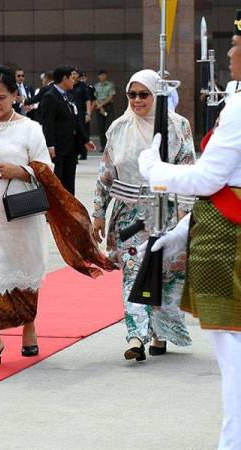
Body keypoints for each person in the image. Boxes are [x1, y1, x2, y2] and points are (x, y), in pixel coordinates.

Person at [137, 11, 241, 447]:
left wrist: (153, 170)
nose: (231, 53)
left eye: (237, 45)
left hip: (229, 243)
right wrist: (183, 230)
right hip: (220, 226)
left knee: (234, 360)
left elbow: (207, 180)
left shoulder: (239, 106)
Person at [92, 69, 196, 361]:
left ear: (156, 94)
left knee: (164, 271)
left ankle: (160, 334)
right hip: (129, 214)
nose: (137, 100)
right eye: (131, 94)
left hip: (168, 211)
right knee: (133, 270)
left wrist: (186, 215)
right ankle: (136, 336)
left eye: (144, 94)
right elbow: (105, 174)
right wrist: (98, 213)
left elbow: (188, 168)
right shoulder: (118, 127)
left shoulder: (177, 126)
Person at [0, 65, 52, 367]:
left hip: (22, 216)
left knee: (24, 270)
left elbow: (46, 169)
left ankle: (29, 328)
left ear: (15, 96)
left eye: (0, 98)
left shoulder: (31, 129)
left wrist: (22, 171)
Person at [40, 66, 95, 195]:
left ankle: (71, 209)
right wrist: (50, 145)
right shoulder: (50, 96)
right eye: (72, 78)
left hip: (71, 146)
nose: (73, 80)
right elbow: (48, 123)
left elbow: (76, 121)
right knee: (57, 182)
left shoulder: (70, 96)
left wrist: (85, 140)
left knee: (69, 182)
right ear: (64, 78)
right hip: (58, 148)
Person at [71, 69, 92, 160]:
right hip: (71, 113)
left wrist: (88, 113)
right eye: (72, 74)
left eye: (75, 73)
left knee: (83, 132)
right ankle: (74, 154)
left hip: (81, 112)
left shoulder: (82, 85)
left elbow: (87, 100)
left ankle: (84, 153)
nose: (73, 75)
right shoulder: (69, 85)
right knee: (73, 134)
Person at [94, 69, 116, 152]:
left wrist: (101, 105)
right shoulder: (96, 86)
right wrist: (100, 107)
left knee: (109, 126)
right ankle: (103, 146)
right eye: (100, 75)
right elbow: (94, 98)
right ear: (98, 76)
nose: (102, 77)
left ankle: (110, 146)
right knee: (101, 128)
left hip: (108, 107)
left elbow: (110, 97)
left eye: (104, 75)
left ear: (106, 76)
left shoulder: (110, 85)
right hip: (99, 108)